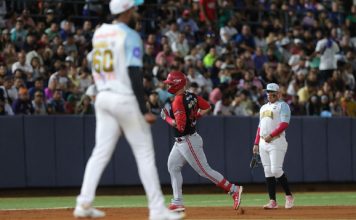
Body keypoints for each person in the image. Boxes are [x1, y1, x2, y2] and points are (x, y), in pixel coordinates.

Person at [73, 0, 184, 219]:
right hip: (123, 97)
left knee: (100, 152)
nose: (137, 12)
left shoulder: (100, 33)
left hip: (102, 96)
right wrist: (144, 109)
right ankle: (157, 210)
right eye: (134, 8)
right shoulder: (130, 35)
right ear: (126, 11)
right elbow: (134, 73)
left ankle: (83, 203)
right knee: (144, 154)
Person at [160, 71, 243, 212]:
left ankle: (234, 189)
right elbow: (207, 107)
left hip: (188, 140)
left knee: (204, 171)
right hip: (183, 141)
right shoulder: (191, 95)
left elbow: (180, 126)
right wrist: (194, 117)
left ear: (177, 83)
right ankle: (178, 201)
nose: (168, 85)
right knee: (172, 166)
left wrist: (166, 118)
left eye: (170, 83)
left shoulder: (178, 101)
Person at [252, 83, 294, 209]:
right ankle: (273, 201)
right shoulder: (263, 107)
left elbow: (284, 124)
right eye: (267, 92)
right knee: (268, 171)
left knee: (276, 170)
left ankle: (289, 195)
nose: (269, 94)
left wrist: (272, 134)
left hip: (277, 140)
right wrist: (256, 142)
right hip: (263, 142)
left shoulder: (283, 105)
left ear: (278, 94)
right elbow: (260, 127)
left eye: (272, 92)